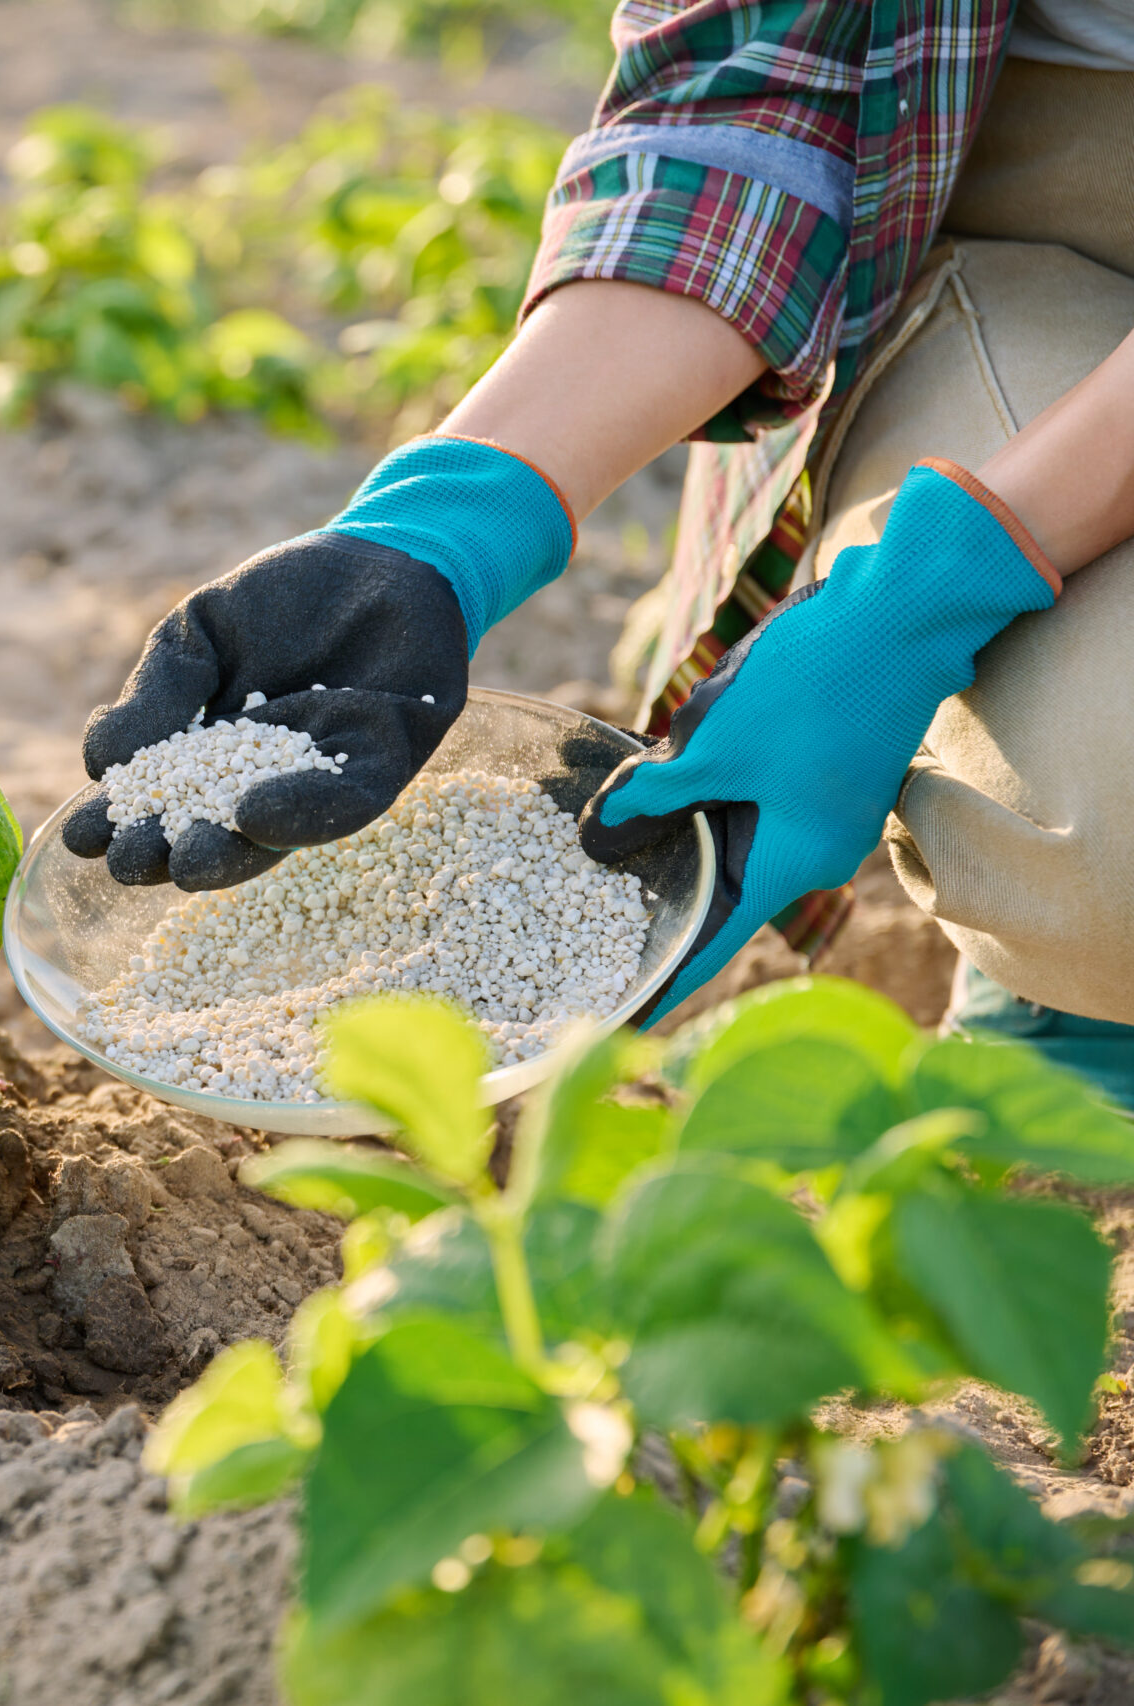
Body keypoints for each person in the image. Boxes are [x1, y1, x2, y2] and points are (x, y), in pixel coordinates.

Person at [66, 0, 1134, 1096]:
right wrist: (452, 520)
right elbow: (738, 108)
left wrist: (928, 595)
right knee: (1106, 827)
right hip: (1043, 222)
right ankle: (1076, 988)